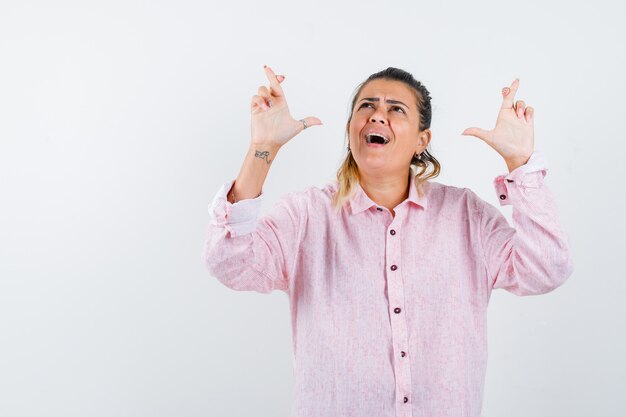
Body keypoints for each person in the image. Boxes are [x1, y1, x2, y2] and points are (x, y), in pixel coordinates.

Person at [202, 65, 574, 417]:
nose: (377, 116)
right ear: (351, 129)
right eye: (367, 106)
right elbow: (228, 261)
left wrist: (520, 163)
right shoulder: (308, 214)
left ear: (421, 140)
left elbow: (547, 267)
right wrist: (262, 149)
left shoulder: (465, 215)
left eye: (396, 109)